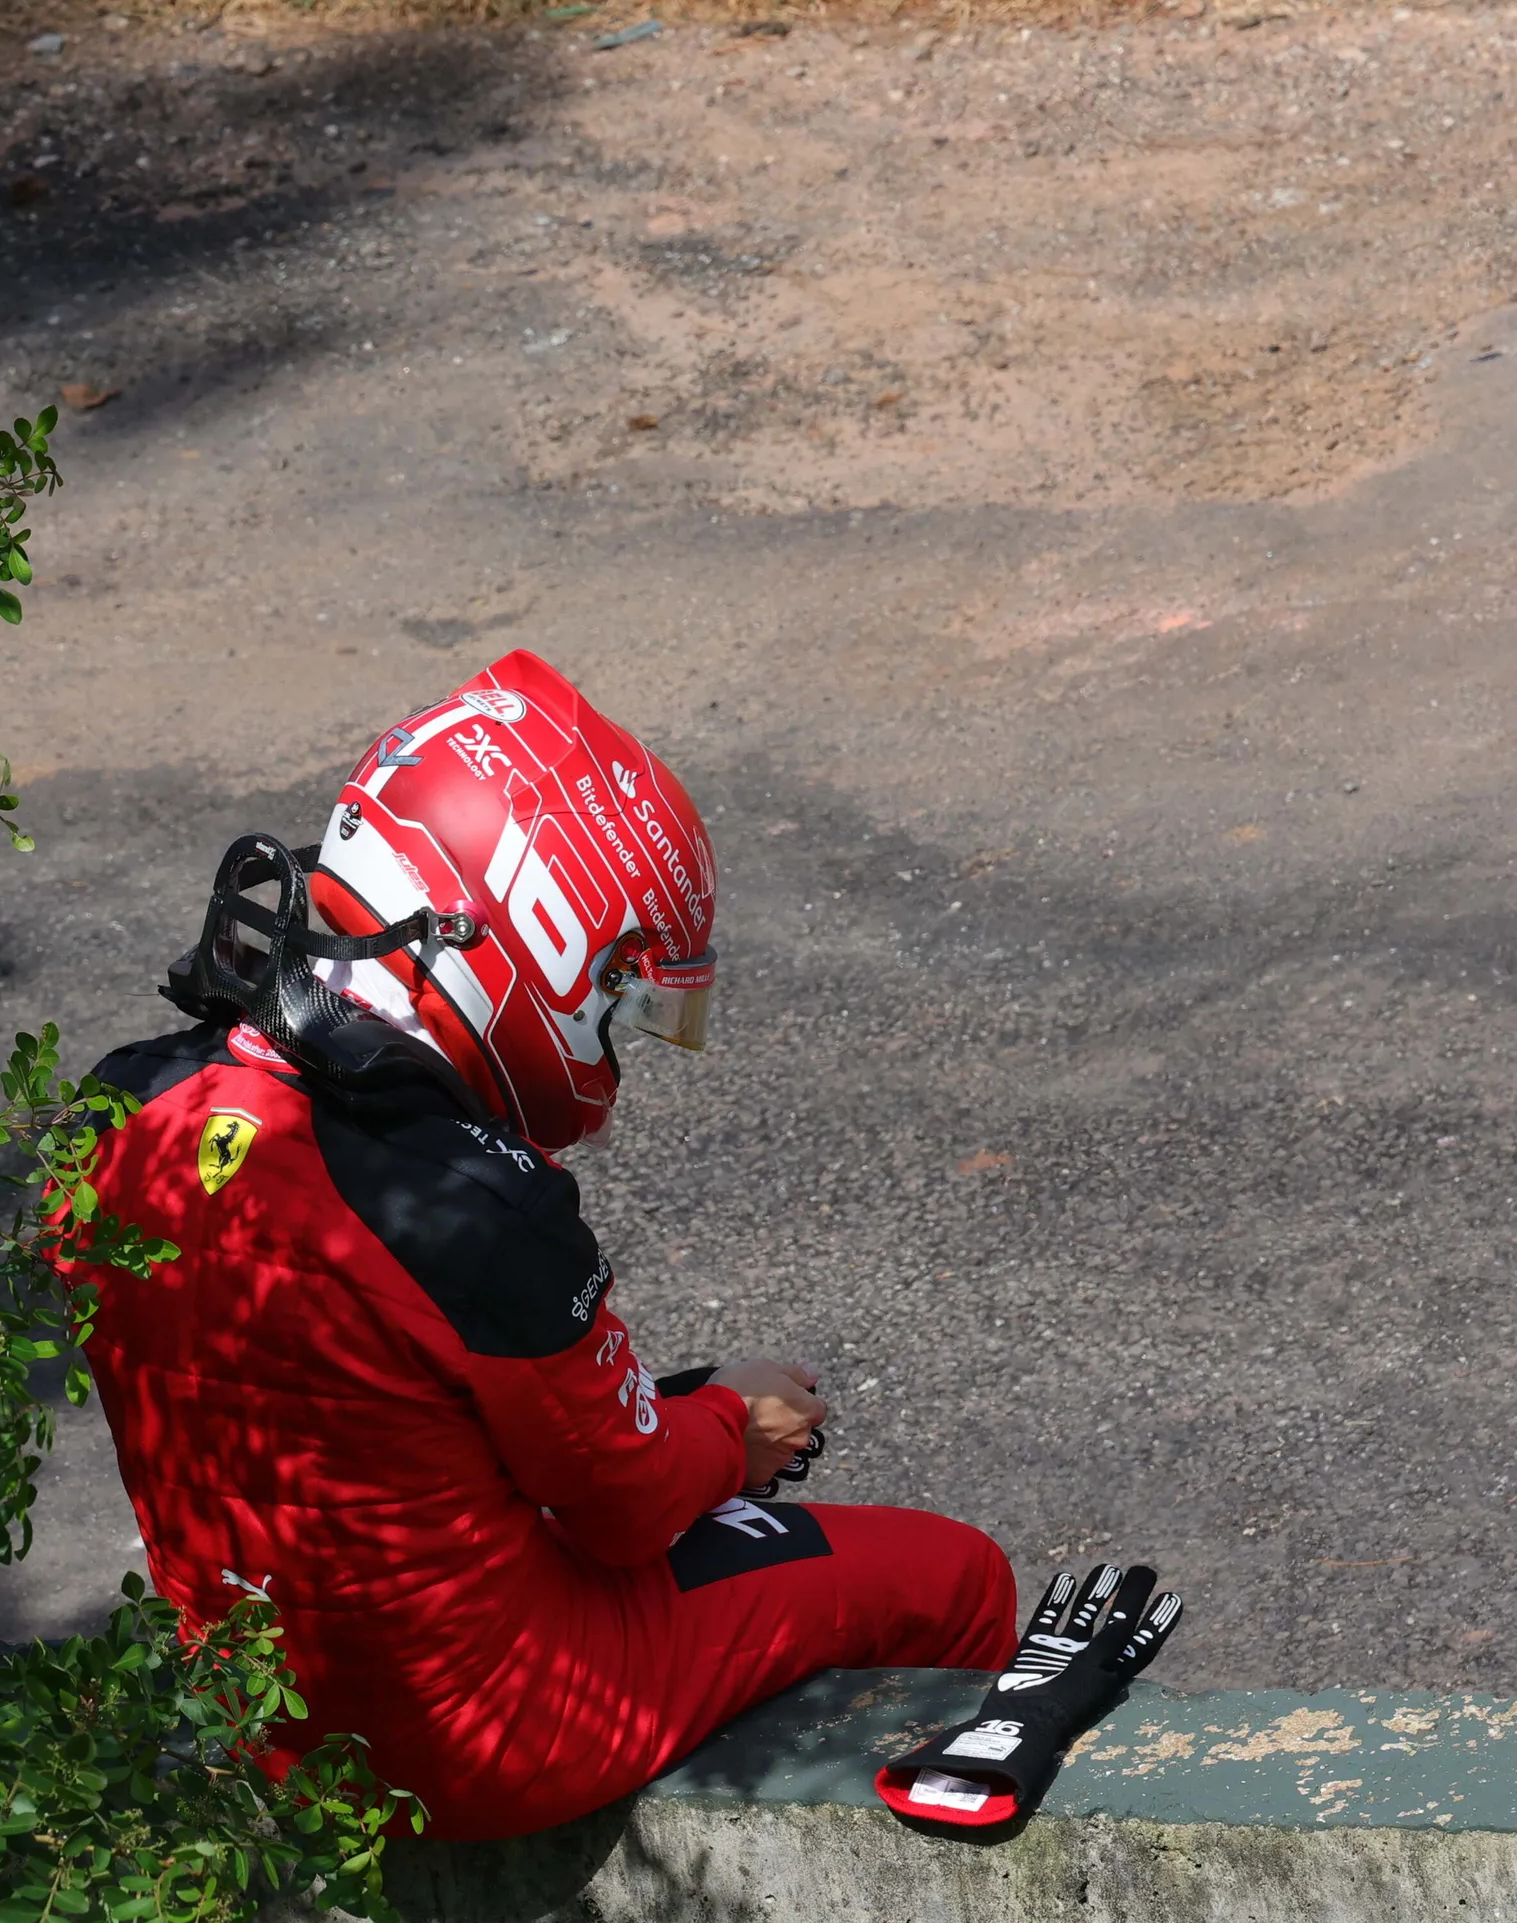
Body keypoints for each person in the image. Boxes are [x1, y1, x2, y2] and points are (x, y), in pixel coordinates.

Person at [60, 650, 1021, 1840]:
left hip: (262, 1713)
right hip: (488, 1732)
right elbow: (625, 1508)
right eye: (620, 996)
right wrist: (733, 1425)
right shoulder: (474, 1204)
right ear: (533, 942)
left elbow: (355, 1406)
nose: (618, 1039)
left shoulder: (123, 1107)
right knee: (955, 1575)